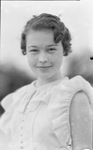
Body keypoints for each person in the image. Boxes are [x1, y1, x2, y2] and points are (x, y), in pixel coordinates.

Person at [0, 13, 93, 150]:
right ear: (25, 51)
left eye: (51, 49)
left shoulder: (74, 97)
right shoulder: (18, 98)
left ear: (64, 49)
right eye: (34, 50)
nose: (42, 58)